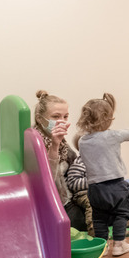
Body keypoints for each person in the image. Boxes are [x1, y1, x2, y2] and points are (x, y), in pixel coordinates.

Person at [77, 92, 129, 256]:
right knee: (122, 213)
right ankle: (118, 244)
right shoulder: (111, 136)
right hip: (115, 185)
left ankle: (102, 246)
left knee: (99, 218)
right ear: (107, 118)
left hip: (94, 188)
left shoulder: (82, 141)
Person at [33, 90, 93, 232]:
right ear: (40, 119)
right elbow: (47, 183)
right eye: (55, 116)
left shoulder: (64, 145)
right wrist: (54, 145)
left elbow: (76, 171)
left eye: (65, 116)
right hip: (57, 207)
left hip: (73, 197)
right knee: (117, 208)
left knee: (126, 191)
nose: (62, 121)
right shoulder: (34, 144)